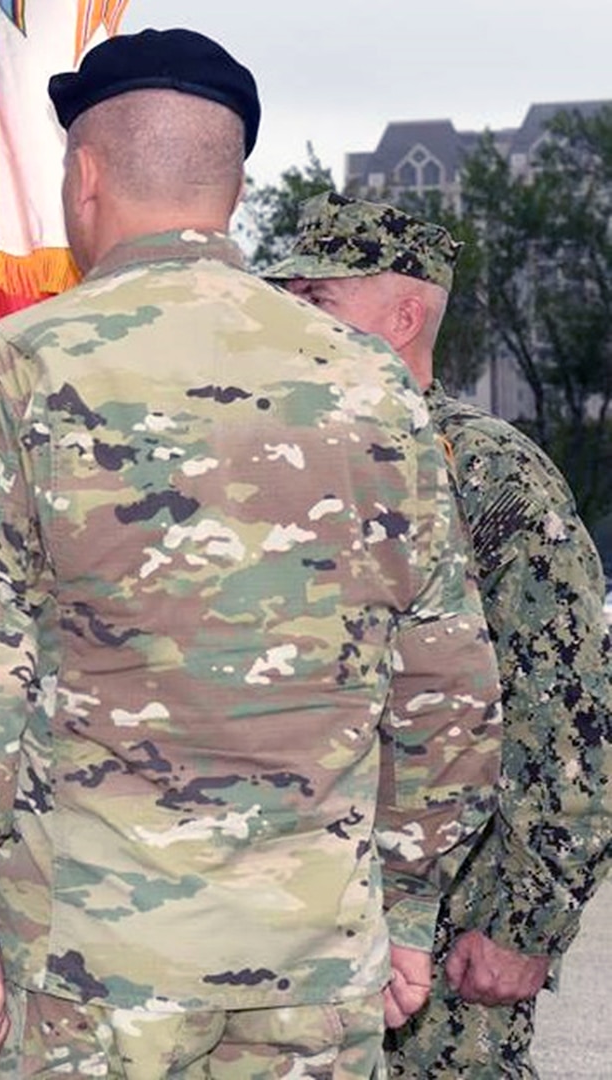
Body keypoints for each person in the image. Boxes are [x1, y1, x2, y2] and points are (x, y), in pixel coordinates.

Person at [0, 27, 506, 1078]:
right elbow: (448, 682)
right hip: (316, 960)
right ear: (235, 186)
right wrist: (407, 908)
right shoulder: (370, 384)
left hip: (97, 964)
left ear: (83, 176)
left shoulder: (12, 372)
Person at [266, 191, 612, 1078]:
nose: (290, 319)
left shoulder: (489, 473)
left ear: (405, 313)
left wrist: (524, 921)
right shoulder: (283, 458)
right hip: (295, 907)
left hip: (454, 915)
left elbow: (568, 715)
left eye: (316, 299)